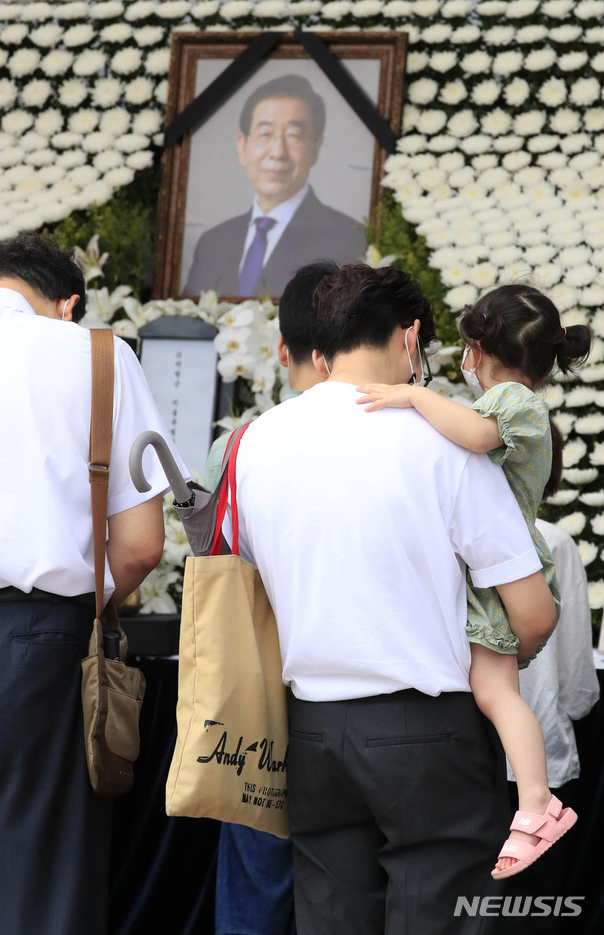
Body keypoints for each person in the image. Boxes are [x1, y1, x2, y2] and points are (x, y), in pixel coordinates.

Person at [225, 264, 557, 935]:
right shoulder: (441, 440)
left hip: (311, 730)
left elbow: (253, 575)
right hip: (426, 730)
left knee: (330, 917)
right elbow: (531, 613)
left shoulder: (255, 440)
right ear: (409, 338)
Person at [0, 233, 185, 935]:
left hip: (24, 637)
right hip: (33, 646)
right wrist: (85, 613)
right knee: (46, 890)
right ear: (68, 304)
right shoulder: (93, 354)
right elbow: (142, 545)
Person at [356, 283, 591, 881]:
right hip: (498, 567)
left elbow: (478, 435)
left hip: (501, 572)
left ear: (478, 349)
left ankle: (537, 804)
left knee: (495, 694)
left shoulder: (514, 403)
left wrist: (410, 395)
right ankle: (533, 802)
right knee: (490, 691)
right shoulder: (519, 402)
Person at [206, 260, 337, 935]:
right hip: (372, 706)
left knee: (258, 876)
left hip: (259, 694)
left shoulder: (240, 447)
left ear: (283, 349)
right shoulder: (411, 436)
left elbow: (214, 559)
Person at [496, 422, 600, 934]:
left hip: (464, 750)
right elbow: (578, 681)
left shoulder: (457, 533)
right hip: (545, 750)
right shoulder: (556, 541)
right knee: (536, 909)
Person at [183, 75, 367, 299]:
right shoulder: (213, 242)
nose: (278, 152)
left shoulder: (348, 239)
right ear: (243, 147)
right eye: (265, 134)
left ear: (315, 148)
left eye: (293, 135)